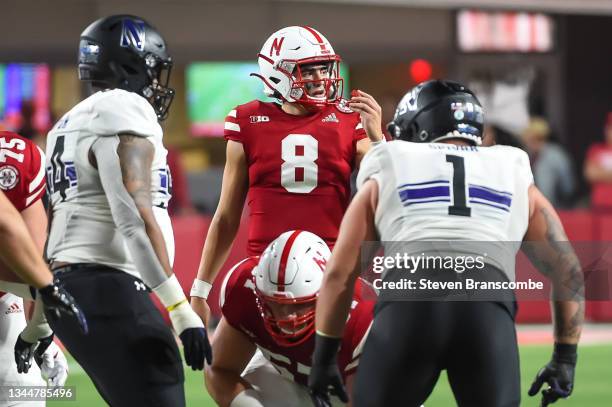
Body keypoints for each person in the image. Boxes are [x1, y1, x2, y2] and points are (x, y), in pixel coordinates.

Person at [308, 80, 584, 407]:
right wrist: (564, 358)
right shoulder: (511, 166)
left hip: (409, 303)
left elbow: (339, 274)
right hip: (487, 309)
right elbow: (569, 271)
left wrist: (323, 358)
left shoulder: (390, 158)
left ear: (417, 127)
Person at [43, 15, 210, 406]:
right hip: (107, 287)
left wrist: (40, 321)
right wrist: (180, 308)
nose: (155, 82)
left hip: (71, 287)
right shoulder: (126, 109)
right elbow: (133, 218)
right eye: (152, 69)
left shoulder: (66, 124)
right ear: (130, 65)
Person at [190, 25, 384, 326]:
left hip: (328, 270)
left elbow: (388, 185)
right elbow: (226, 217)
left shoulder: (350, 120)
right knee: (228, 366)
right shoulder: (247, 121)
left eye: (323, 68)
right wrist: (200, 291)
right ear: (278, 74)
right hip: (264, 272)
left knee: (341, 364)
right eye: (308, 71)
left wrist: (379, 141)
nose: (321, 79)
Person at [205, 230, 374, 407]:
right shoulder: (244, 289)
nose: (287, 316)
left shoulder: (363, 318)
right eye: (276, 303)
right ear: (260, 294)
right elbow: (219, 369)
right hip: (283, 377)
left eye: (300, 304)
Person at [0, 130, 74, 404]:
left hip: (5, 304)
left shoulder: (15, 157)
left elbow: (32, 262)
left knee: (23, 394)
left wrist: (38, 328)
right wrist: (39, 327)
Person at [523, 117, 575, 208]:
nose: (529, 143)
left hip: (554, 207)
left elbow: (568, 187)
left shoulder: (556, 155)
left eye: (534, 139)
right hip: (530, 207)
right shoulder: (524, 155)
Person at [584, 112, 612, 209]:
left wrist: (601, 172)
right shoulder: (596, 149)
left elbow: (596, 173)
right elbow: (590, 174)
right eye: (610, 128)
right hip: (599, 207)